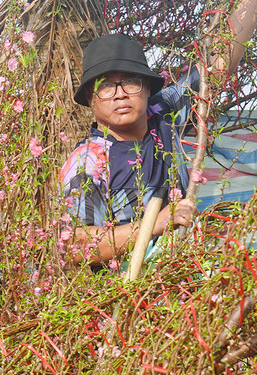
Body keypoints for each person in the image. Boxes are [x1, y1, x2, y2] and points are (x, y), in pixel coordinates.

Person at [59, 34, 198, 268]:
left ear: (146, 89)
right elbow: (77, 245)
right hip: (132, 294)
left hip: (191, 277)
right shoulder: (87, 162)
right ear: (90, 98)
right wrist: (153, 224)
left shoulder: (163, 114)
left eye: (131, 81)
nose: (120, 93)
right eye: (105, 86)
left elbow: (219, 63)